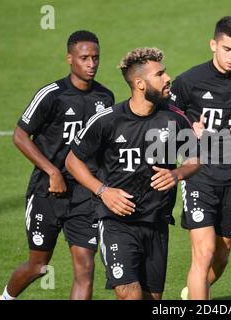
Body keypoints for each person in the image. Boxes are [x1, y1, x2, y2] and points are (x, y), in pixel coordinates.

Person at [65, 47, 200, 300]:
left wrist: (177, 174)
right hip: (117, 222)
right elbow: (73, 161)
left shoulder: (174, 118)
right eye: (159, 74)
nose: (168, 77)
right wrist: (103, 191)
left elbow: (196, 158)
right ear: (140, 83)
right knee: (130, 294)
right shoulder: (108, 120)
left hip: (157, 222)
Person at [0, 30, 114, 300]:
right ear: (69, 59)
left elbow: (104, 146)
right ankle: (4, 298)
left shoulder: (105, 98)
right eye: (84, 58)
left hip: (84, 194)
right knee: (38, 266)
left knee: (85, 268)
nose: (91, 64)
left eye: (96, 58)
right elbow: (20, 136)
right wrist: (52, 171)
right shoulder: (52, 95)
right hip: (47, 192)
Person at [169, 16, 231, 300]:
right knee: (204, 252)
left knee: (222, 256)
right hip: (197, 173)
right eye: (227, 49)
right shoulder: (189, 81)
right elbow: (165, 120)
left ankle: (194, 292)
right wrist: (189, 129)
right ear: (213, 44)